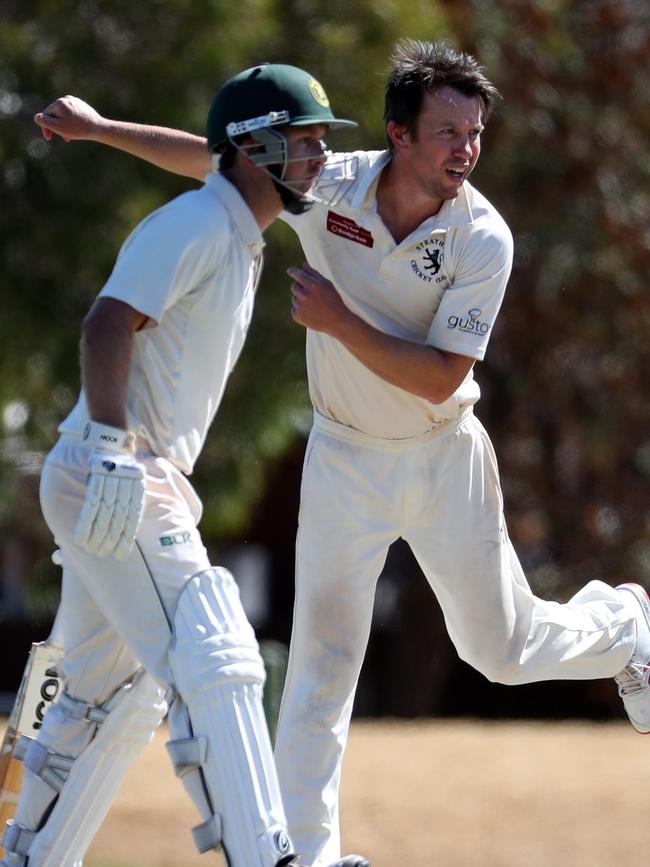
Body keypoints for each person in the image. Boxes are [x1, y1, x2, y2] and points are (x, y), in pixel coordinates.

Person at [33, 40, 650, 867]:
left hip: (442, 456)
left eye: (474, 132)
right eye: (447, 130)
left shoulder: (483, 238)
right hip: (343, 458)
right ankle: (305, 855)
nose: (465, 148)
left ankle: (625, 625)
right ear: (398, 134)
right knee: (322, 665)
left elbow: (439, 379)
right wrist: (102, 128)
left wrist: (339, 322)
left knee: (500, 652)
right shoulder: (332, 181)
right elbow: (221, 159)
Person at [3, 63, 369, 867]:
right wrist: (108, 446)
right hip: (120, 469)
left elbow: (198, 149)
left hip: (121, 472)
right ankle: (274, 857)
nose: (317, 158)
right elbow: (106, 323)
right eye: (302, 141)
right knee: (218, 648)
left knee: (95, 697)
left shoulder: (233, 218)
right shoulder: (198, 226)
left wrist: (101, 129)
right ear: (255, 148)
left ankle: (26, 854)